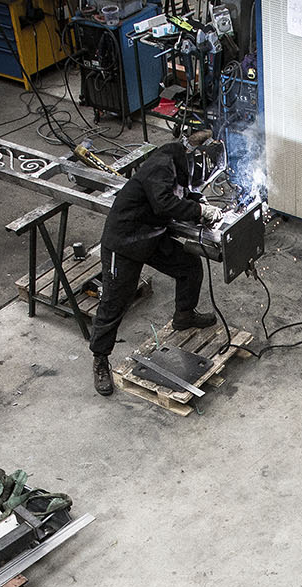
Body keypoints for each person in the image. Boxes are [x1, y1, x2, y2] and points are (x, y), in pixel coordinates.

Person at [88, 131, 221, 396]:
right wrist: (199, 211)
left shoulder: (179, 163)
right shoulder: (161, 165)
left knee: (188, 265)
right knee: (115, 302)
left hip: (152, 235)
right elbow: (164, 204)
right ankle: (100, 359)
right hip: (125, 241)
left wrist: (197, 201)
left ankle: (184, 315)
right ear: (192, 156)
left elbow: (180, 192)